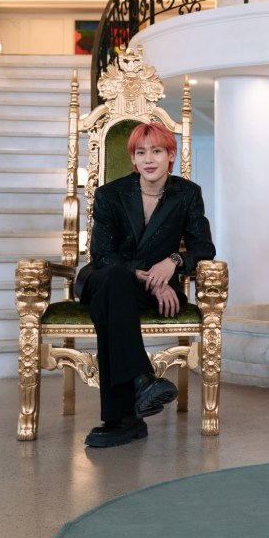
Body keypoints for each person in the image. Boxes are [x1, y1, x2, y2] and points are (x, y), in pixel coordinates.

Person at [75, 123, 216, 448]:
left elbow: (204, 247)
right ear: (133, 159)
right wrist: (148, 278)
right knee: (114, 280)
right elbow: (102, 254)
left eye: (156, 151)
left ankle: (123, 420)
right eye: (141, 153)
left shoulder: (187, 194)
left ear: (171, 156)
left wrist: (174, 261)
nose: (149, 159)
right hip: (104, 277)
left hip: (138, 291)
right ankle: (141, 379)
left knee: (111, 303)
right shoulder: (109, 194)